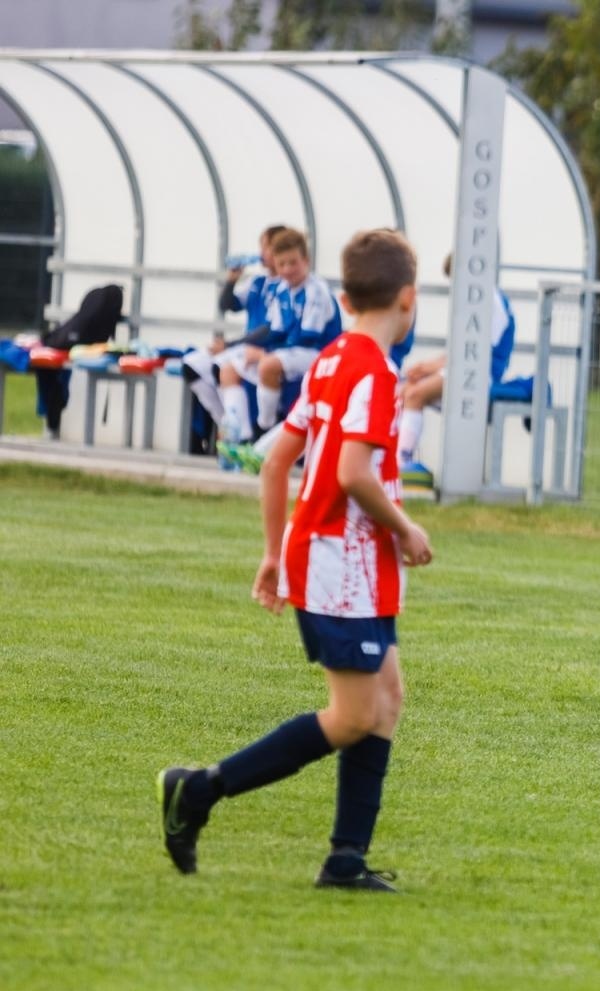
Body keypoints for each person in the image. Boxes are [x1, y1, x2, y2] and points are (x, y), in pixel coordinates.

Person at [158, 228, 433, 890]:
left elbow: (278, 458)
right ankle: (197, 791)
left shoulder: (333, 361)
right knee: (352, 715)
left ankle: (345, 861)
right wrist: (405, 527)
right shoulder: (370, 370)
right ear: (408, 298)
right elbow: (352, 473)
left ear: (341, 297)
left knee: (386, 698)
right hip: (345, 566)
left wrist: (275, 553)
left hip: (333, 560)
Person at [395, 253, 517, 489]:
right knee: (405, 390)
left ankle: (403, 461)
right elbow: (459, 351)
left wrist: (431, 368)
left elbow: (476, 356)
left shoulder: (490, 301)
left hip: (481, 377)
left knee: (415, 394)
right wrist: (425, 367)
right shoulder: (477, 301)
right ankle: (398, 457)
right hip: (465, 373)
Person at [217, 227, 341, 447]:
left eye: (293, 263)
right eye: (282, 264)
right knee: (229, 369)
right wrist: (248, 348)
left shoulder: (316, 291)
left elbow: (307, 337)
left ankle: (263, 428)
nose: (288, 269)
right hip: (291, 352)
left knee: (268, 365)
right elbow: (274, 330)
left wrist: (264, 353)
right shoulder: (283, 289)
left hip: (320, 355)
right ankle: (241, 437)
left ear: (306, 261)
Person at [182, 224, 286, 449]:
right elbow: (227, 305)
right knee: (191, 365)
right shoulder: (258, 282)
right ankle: (228, 425)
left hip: (266, 349)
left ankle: (242, 437)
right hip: (243, 345)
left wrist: (229, 344)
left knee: (221, 366)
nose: (262, 253)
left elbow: (271, 329)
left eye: (266, 247)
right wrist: (231, 280)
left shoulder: (288, 285)